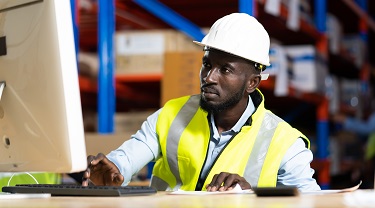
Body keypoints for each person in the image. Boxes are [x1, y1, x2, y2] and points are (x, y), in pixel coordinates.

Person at [82, 13, 321, 192]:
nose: (209, 77)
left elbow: (311, 203)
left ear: (252, 83)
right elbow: (128, 157)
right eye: (207, 64)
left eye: (225, 69)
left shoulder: (285, 143)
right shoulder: (172, 115)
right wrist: (114, 168)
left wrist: (252, 196)